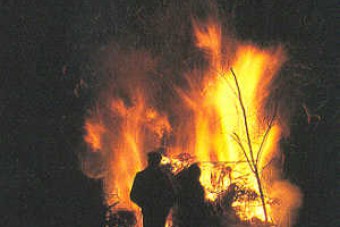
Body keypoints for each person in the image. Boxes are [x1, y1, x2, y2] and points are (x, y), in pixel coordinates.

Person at [130, 150, 176, 227]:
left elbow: (133, 195)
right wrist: (165, 208)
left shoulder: (142, 176)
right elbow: (172, 195)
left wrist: (144, 205)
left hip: (150, 212)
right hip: (159, 213)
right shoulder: (163, 177)